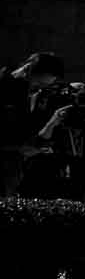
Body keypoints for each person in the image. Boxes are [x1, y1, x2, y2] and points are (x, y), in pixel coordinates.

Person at [1, 52, 66, 198]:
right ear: (27, 69)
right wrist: (19, 147)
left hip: (13, 171)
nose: (38, 89)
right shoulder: (6, 87)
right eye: (39, 83)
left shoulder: (27, 93)